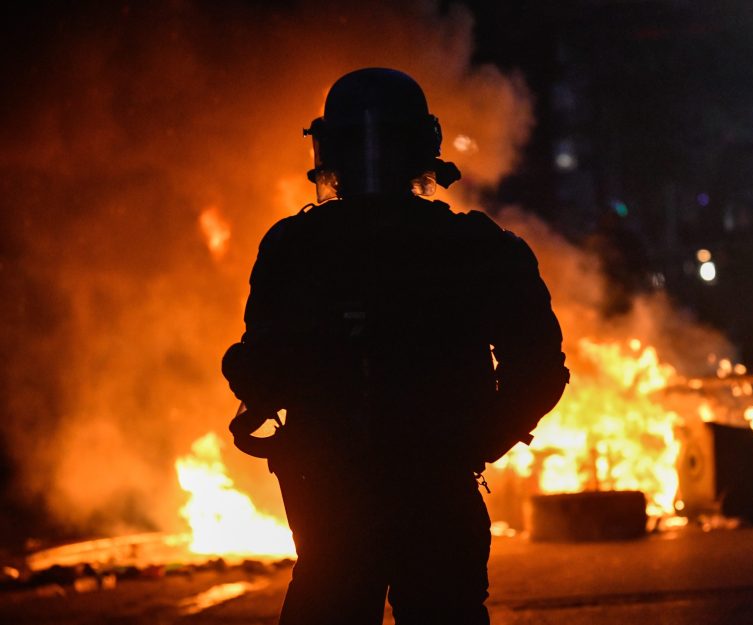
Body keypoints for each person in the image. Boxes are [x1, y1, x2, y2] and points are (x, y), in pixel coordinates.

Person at [221, 68, 568, 625]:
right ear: (426, 148)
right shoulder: (477, 248)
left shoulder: (294, 248)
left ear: (328, 150)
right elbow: (540, 373)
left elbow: (260, 365)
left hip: (333, 500)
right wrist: (473, 443)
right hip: (434, 495)